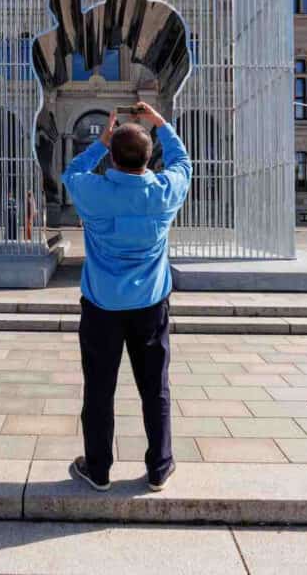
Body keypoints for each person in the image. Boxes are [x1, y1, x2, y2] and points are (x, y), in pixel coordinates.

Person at [62, 101, 191, 494]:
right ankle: (159, 467)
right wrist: (160, 123)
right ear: (149, 158)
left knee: (99, 389)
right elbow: (184, 161)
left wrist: (99, 144)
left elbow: (71, 172)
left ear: (112, 159)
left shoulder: (93, 191)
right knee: (155, 387)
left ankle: (98, 469)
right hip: (151, 307)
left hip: (102, 306)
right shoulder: (165, 191)